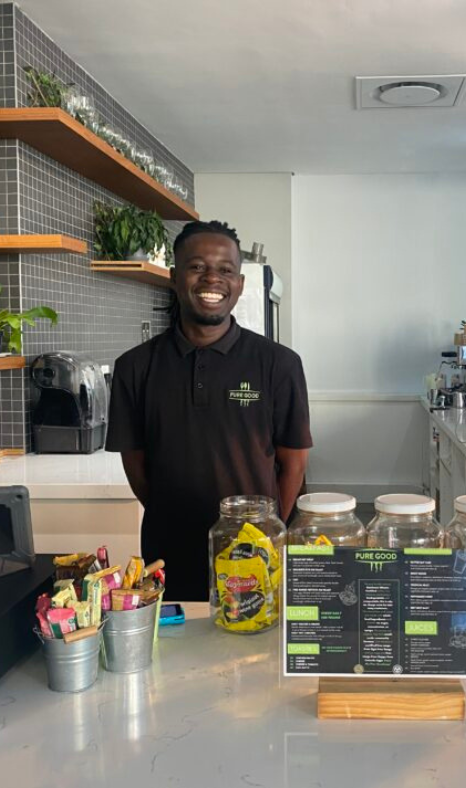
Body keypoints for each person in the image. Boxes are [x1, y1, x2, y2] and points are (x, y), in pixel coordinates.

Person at [106, 220, 312, 601]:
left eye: (225, 270)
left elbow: (294, 463)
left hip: (254, 555)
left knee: (254, 634)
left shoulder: (279, 364)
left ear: (240, 284)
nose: (212, 279)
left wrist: (266, 530)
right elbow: (135, 466)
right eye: (197, 267)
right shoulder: (134, 367)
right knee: (175, 637)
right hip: (168, 553)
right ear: (174, 277)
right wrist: (172, 514)